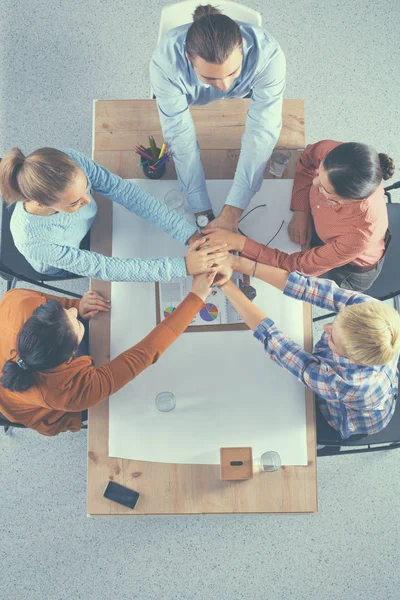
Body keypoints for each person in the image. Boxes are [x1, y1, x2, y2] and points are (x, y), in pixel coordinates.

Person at [0, 274, 215, 435]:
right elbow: (144, 355)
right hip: (38, 408)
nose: (73, 313)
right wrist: (196, 298)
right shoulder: (68, 393)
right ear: (72, 355)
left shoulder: (17, 301)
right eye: (75, 320)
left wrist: (78, 305)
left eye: (65, 312)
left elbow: (65, 308)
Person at [215, 256, 400, 439]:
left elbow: (277, 344)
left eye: (333, 337)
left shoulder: (346, 383)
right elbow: (307, 288)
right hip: (376, 386)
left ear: (351, 358)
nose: (326, 328)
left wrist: (227, 286)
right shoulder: (370, 311)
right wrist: (237, 263)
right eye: (337, 320)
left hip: (352, 417)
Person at [150, 4, 286, 232]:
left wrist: (233, 210)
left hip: (245, 97)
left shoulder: (269, 54)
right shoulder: (165, 63)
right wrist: (202, 211)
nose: (224, 86)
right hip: (190, 99)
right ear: (187, 57)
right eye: (209, 77)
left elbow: (261, 133)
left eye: (233, 73)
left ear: (242, 45)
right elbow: (180, 136)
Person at [0, 147, 227, 282]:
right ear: (40, 202)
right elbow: (103, 267)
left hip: (89, 226)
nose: (89, 199)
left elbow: (123, 191)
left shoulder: (68, 160)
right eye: (75, 202)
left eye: (86, 188)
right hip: (59, 258)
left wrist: (189, 235)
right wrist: (183, 267)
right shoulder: (34, 241)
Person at [204, 140, 395, 291]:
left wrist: (240, 243)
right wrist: (301, 209)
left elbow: (297, 266)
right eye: (319, 173)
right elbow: (307, 160)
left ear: (346, 201)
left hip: (347, 270)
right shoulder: (335, 156)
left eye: (324, 189)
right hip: (331, 238)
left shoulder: (359, 235)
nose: (313, 183)